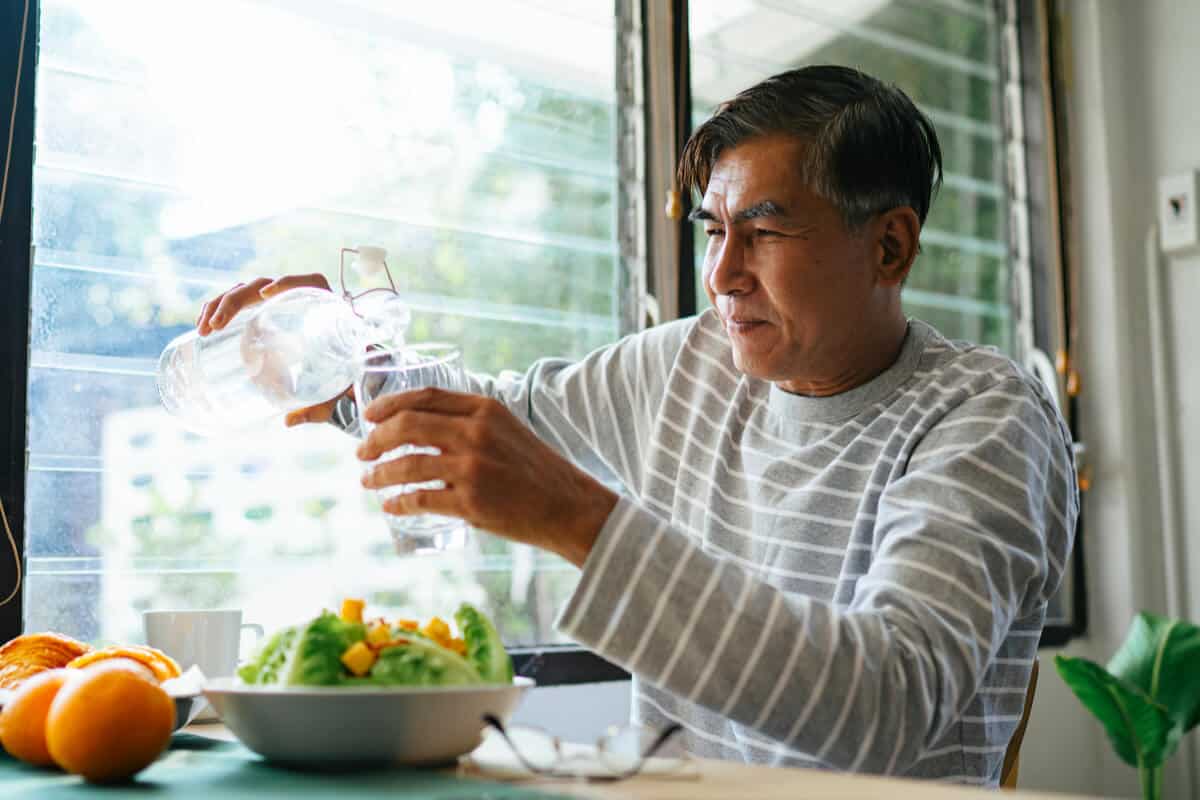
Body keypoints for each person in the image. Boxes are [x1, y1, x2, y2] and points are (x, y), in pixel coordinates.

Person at [197, 65, 1077, 785]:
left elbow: (883, 711)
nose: (723, 275)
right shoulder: (691, 362)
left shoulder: (985, 420)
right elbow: (499, 416)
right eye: (713, 232)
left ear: (890, 246)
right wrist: (341, 362)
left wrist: (577, 519)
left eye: (763, 232)